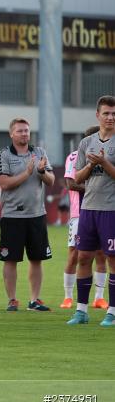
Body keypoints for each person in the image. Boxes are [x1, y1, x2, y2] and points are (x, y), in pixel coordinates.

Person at [0, 118, 55, 312]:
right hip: (12, 215)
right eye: (20, 131)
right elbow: (4, 184)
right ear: (11, 134)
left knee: (36, 258)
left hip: (37, 214)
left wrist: (41, 171)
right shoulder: (3, 155)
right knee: (10, 259)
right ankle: (12, 299)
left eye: (27, 131)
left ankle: (34, 300)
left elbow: (51, 180)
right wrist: (27, 173)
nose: (24, 134)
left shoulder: (39, 153)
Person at [68, 96, 115, 327]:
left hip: (111, 209)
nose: (110, 117)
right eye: (106, 113)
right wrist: (91, 164)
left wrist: (105, 164)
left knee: (112, 259)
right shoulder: (86, 143)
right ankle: (81, 311)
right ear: (98, 115)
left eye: (114, 114)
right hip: (88, 208)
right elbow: (76, 178)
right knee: (83, 257)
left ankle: (112, 312)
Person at [61, 125, 109, 310]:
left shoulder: (107, 157)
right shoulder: (74, 156)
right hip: (79, 213)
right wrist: (96, 190)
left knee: (102, 254)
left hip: (103, 210)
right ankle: (68, 297)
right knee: (75, 254)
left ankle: (99, 297)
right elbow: (71, 184)